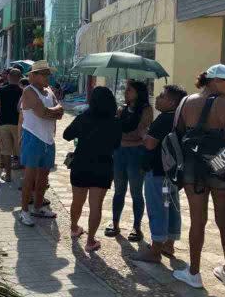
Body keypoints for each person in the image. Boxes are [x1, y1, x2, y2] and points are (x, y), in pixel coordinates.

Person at [172, 64, 225, 289]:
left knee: (197, 221)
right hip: (222, 163)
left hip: (193, 166)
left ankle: (193, 274)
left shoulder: (185, 102)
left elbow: (178, 134)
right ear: (214, 81)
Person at [133, 85, 187, 263]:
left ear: (171, 101)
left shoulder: (164, 119)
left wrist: (142, 133)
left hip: (158, 173)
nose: (157, 98)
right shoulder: (181, 118)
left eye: (162, 96)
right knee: (170, 208)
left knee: (158, 209)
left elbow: (150, 144)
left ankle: (155, 250)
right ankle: (169, 244)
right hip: (173, 174)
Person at [64, 86, 121, 252]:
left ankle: (74, 228)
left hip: (81, 163)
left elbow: (66, 135)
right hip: (103, 166)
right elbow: (116, 145)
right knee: (96, 205)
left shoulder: (83, 117)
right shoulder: (115, 121)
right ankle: (90, 241)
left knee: (77, 201)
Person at [106, 80, 153, 242]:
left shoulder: (146, 110)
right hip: (119, 153)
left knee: (136, 192)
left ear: (138, 93)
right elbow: (118, 131)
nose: (126, 92)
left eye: (129, 90)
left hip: (136, 154)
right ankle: (115, 223)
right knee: (118, 190)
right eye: (125, 90)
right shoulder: (121, 109)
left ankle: (136, 227)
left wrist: (128, 138)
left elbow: (140, 132)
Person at [19, 60, 64, 226]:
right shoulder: (29, 91)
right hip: (33, 137)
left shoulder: (49, 90)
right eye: (44, 73)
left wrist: (53, 111)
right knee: (29, 177)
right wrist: (55, 111)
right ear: (34, 75)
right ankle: (24, 211)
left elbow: (59, 111)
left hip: (48, 139)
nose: (48, 77)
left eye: (48, 73)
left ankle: (38, 207)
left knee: (43, 177)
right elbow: (43, 113)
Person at [0, 68, 23, 183]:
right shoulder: (23, 91)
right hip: (18, 124)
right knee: (19, 150)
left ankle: (8, 175)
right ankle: (24, 178)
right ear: (20, 78)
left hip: (4, 123)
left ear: (8, 77)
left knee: (6, 150)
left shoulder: (1, 90)